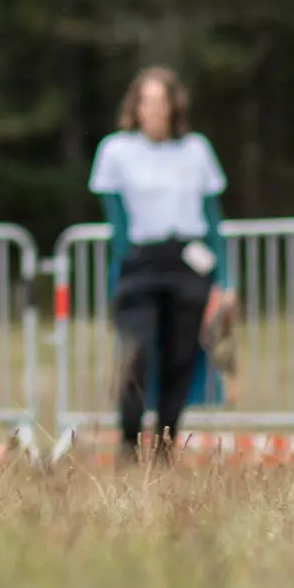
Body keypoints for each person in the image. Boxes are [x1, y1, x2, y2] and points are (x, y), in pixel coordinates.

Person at [88, 66, 237, 462]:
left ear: (173, 107)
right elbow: (116, 221)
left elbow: (213, 220)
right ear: (135, 107)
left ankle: (166, 447)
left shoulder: (196, 151)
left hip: (188, 263)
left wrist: (225, 280)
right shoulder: (115, 151)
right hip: (140, 263)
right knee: (138, 353)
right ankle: (128, 441)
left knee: (181, 357)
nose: (154, 110)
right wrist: (119, 274)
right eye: (147, 101)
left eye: (161, 101)